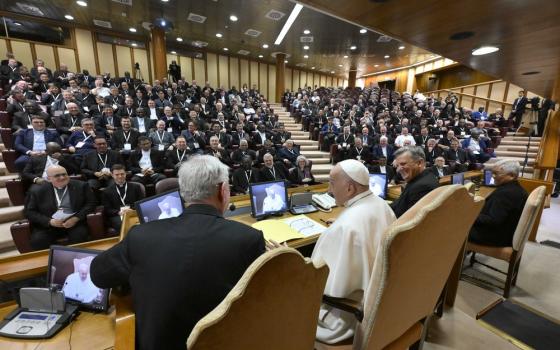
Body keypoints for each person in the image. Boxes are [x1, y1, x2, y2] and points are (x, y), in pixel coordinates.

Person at [90, 155, 265, 350]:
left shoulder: (140, 236)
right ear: (223, 190)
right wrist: (277, 257)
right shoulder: (249, 238)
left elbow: (98, 275)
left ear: (183, 192)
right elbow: (265, 301)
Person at [311, 159, 396, 344]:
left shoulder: (347, 227)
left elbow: (319, 280)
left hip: (347, 315)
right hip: (381, 303)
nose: (329, 190)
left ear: (350, 189)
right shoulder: (383, 206)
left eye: (332, 183)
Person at [24, 165, 96, 250]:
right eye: (57, 175)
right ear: (49, 179)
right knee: (38, 241)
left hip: (74, 223)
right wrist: (50, 221)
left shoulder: (81, 186)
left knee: (80, 236)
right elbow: (30, 212)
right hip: (49, 226)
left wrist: (76, 218)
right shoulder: (36, 191)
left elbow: (91, 203)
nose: (62, 177)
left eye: (64, 174)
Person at [469, 160, 528, 246]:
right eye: (492, 173)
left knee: (452, 225)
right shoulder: (516, 188)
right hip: (504, 232)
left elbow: (492, 220)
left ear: (511, 175)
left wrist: (468, 215)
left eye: (496, 174)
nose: (493, 177)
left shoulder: (506, 193)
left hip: (495, 236)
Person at [390, 146, 439, 218]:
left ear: (419, 163)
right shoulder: (420, 179)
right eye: (398, 165)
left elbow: (407, 220)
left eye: (403, 164)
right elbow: (398, 204)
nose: (398, 169)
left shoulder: (422, 187)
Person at [102, 164, 145, 231]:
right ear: (112, 175)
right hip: (117, 215)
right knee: (123, 225)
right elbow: (108, 209)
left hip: (134, 212)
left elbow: (141, 202)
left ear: (126, 174)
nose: (120, 176)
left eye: (122, 174)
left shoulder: (136, 187)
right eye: (117, 175)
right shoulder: (107, 191)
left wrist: (132, 210)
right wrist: (119, 212)